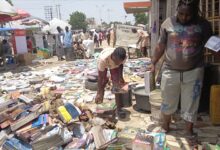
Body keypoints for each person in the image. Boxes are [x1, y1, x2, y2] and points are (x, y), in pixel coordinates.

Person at [151, 0, 212, 138]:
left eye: (188, 15)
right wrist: (153, 62)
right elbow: (160, 45)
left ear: (195, 12)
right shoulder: (168, 23)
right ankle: (165, 126)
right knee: (167, 100)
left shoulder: (203, 24)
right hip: (170, 70)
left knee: (191, 102)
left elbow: (212, 44)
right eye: (181, 13)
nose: (184, 17)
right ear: (177, 9)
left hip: (194, 70)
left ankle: (189, 130)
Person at [95, 47, 127, 118]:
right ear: (113, 56)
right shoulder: (103, 59)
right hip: (105, 63)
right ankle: (100, 101)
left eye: (119, 62)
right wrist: (99, 92)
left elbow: (121, 65)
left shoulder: (123, 57)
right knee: (103, 82)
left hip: (113, 67)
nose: (117, 63)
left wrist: (120, 77)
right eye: (117, 61)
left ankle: (118, 108)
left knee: (117, 85)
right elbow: (100, 78)